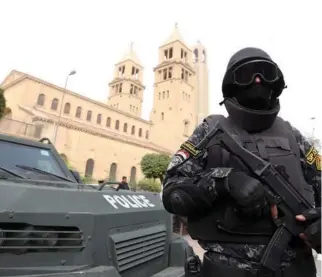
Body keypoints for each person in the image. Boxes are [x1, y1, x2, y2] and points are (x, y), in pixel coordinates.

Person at [162, 47, 321, 277]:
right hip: (226, 269)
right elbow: (172, 192)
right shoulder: (211, 131)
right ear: (232, 85)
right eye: (247, 74)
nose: (258, 80)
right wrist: (222, 182)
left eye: (265, 73)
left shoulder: (294, 137)